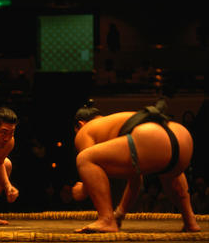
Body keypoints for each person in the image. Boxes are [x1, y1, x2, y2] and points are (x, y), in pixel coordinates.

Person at [71, 99, 200, 233]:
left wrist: (82, 190)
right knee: (170, 174)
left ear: (80, 124)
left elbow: (88, 165)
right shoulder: (112, 124)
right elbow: (135, 181)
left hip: (150, 136)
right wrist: (120, 214)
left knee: (84, 158)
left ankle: (106, 219)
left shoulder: (85, 129)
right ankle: (190, 221)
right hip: (182, 138)